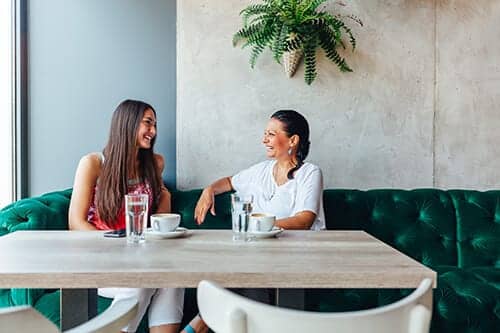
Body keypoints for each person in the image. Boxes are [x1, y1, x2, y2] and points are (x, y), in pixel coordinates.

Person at [182, 110, 325, 333]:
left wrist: (258, 226)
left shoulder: (310, 173)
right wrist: (209, 189)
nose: (264, 139)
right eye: (265, 133)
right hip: (260, 259)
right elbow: (229, 182)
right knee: (241, 274)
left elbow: (304, 220)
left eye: (270, 133)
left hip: (298, 259)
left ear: (293, 140)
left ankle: (196, 326)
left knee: (237, 276)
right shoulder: (261, 171)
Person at [68, 99, 184, 333]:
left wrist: (164, 196)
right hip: (100, 260)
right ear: (127, 123)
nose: (153, 132)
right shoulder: (93, 163)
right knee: (143, 280)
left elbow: (158, 222)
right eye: (148, 123)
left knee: (174, 277)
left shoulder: (155, 163)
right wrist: (116, 246)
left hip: (141, 256)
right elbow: (75, 222)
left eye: (155, 125)